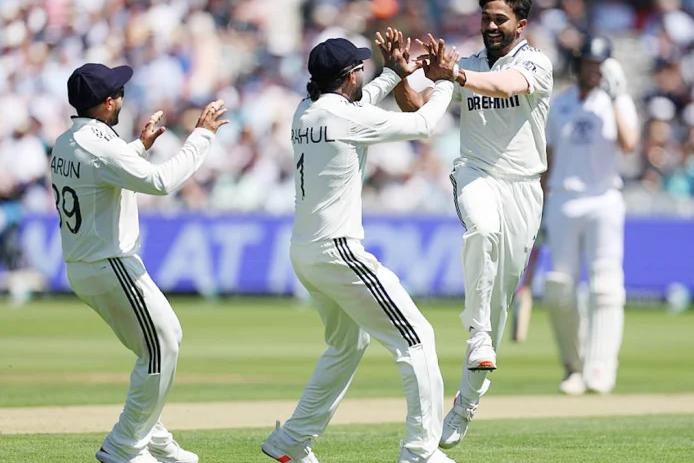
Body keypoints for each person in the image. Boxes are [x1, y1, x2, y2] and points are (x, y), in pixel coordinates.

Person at [261, 33, 459, 463]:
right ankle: (421, 451)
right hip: (338, 250)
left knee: (347, 345)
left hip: (306, 251)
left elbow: (358, 102)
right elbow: (424, 124)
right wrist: (446, 82)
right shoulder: (345, 118)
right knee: (418, 338)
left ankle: (292, 441)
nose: (363, 75)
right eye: (360, 70)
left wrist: (391, 75)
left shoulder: (306, 111)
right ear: (350, 76)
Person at [392, 0, 553, 448]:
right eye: (486, 17)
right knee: (480, 228)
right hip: (476, 172)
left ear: (520, 25)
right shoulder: (468, 61)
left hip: (524, 187)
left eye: (500, 19)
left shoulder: (535, 63)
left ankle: (466, 404)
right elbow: (416, 107)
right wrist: (403, 75)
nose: (490, 26)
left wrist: (454, 76)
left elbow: (507, 87)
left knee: (501, 300)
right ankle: (477, 333)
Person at [51, 62, 228, 463]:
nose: (122, 99)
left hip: (85, 266)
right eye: (118, 94)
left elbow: (99, 174)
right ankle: (125, 446)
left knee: (155, 350)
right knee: (163, 345)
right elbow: (161, 183)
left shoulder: (67, 140)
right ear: (107, 102)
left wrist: (138, 147)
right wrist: (201, 136)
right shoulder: (101, 143)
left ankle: (154, 438)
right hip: (110, 263)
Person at [515, 35, 639, 396]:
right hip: (563, 200)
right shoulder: (561, 104)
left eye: (599, 65)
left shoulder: (617, 102)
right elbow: (547, 163)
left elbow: (629, 143)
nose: (593, 71)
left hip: (604, 199)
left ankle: (601, 367)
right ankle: (574, 365)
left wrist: (617, 98)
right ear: (578, 66)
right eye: (588, 64)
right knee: (559, 288)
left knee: (605, 285)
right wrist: (539, 207)